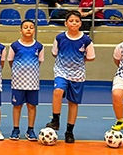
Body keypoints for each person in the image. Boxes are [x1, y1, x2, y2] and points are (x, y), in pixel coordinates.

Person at [45, 10, 95, 143]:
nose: (74, 23)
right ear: (66, 23)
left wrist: (79, 61)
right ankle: (55, 120)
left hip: (77, 75)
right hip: (61, 71)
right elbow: (54, 53)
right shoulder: (60, 38)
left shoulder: (86, 40)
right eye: (71, 21)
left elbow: (91, 57)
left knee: (73, 103)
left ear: (80, 23)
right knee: (58, 91)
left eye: (77, 21)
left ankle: (69, 131)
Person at [8, 20, 44, 141]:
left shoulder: (39, 46)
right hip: (18, 82)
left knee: (31, 106)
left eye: (31, 27)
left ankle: (30, 130)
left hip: (33, 83)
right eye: (25, 27)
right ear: (21, 30)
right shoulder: (15, 46)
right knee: (17, 106)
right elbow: (10, 61)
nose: (28, 29)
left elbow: (39, 61)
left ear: (34, 30)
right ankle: (15, 129)